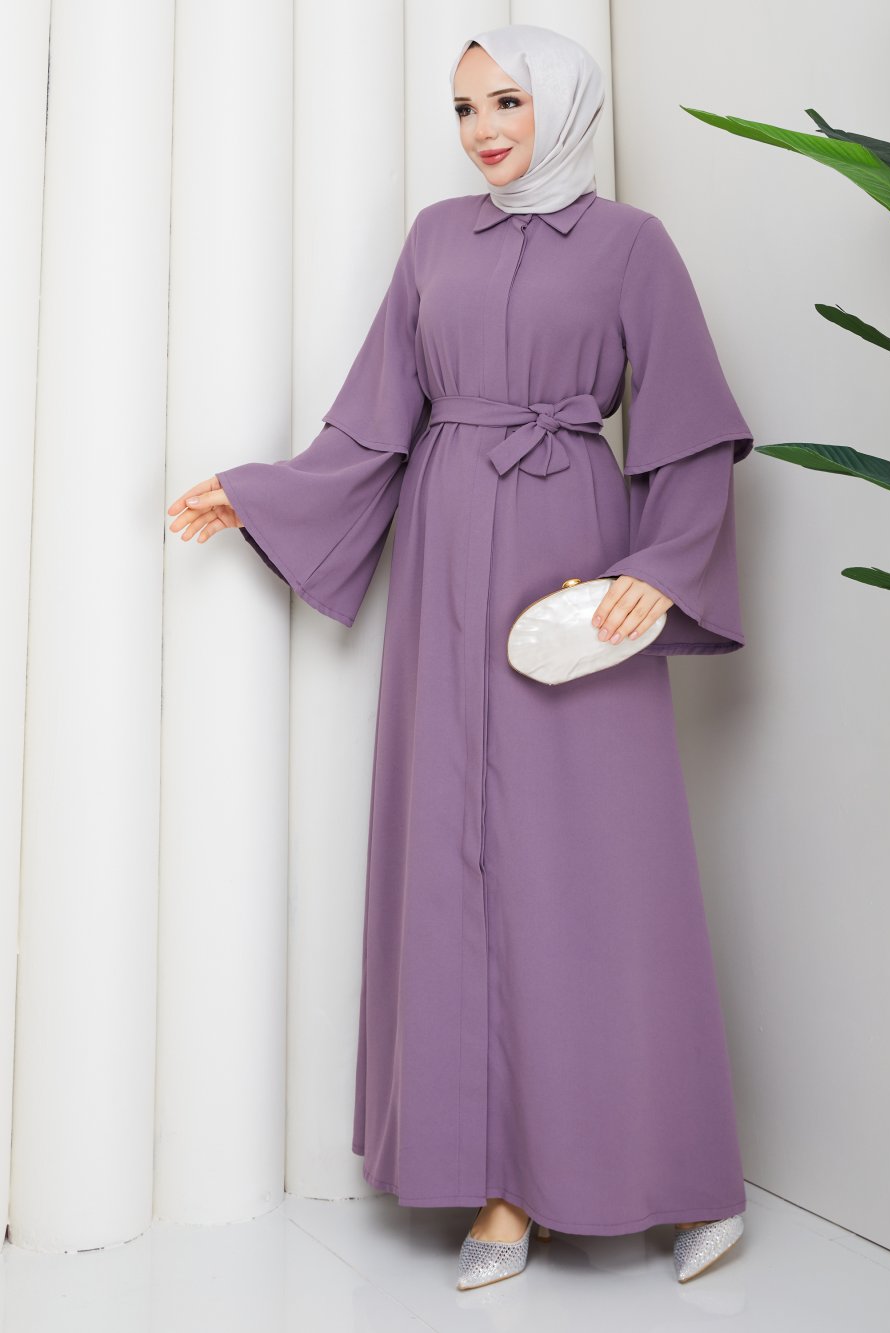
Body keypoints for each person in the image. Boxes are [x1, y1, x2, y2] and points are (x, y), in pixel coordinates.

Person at [167, 21, 754, 1293]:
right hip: (445, 561)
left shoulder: (632, 244)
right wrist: (261, 491)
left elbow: (690, 423)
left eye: (507, 103)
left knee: (603, 870)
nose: (484, 129)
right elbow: (376, 418)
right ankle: (499, 1183)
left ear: (563, 108)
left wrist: (658, 567)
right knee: (457, 864)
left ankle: (687, 1173)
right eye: (464, 108)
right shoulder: (435, 238)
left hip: (572, 567)